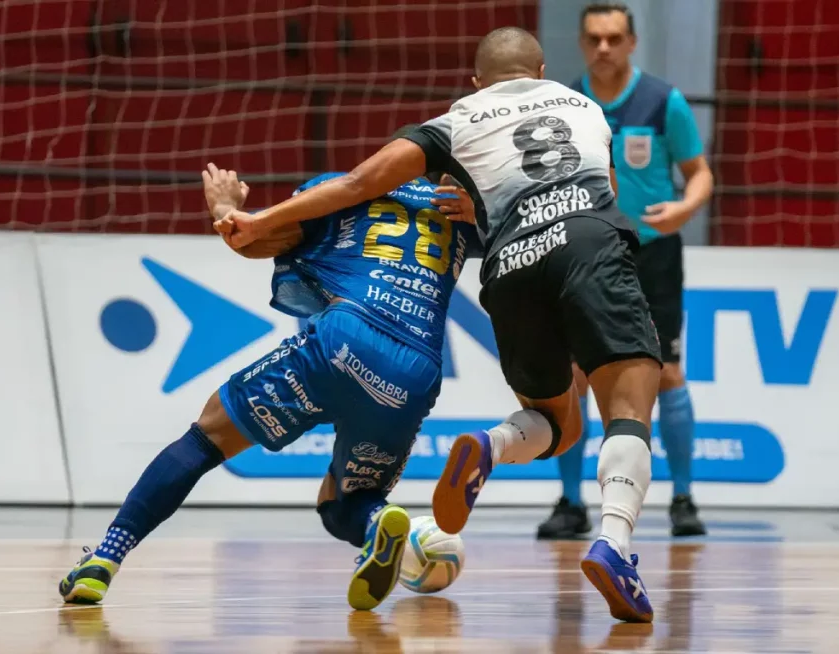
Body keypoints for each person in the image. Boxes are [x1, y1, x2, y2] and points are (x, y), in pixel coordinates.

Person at [216, 27, 662, 624]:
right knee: (628, 408)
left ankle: (492, 444)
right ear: (541, 68)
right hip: (587, 242)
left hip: (509, 267)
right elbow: (601, 189)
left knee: (561, 423)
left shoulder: (454, 122)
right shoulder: (584, 105)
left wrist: (258, 217)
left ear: (476, 82)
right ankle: (615, 544)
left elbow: (356, 184)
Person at [58, 145, 480, 612]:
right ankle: (375, 524)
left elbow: (254, 240)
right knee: (344, 501)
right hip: (417, 369)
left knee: (206, 438)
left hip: (348, 336)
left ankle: (103, 560)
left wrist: (224, 208)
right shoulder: (459, 216)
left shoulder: (340, 188)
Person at [540, 3, 713, 540]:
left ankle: (683, 498)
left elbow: (699, 173)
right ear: (581, 41)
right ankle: (571, 503)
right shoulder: (565, 105)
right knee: (574, 375)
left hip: (654, 254)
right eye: (594, 38)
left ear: (632, 42)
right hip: (586, 253)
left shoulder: (665, 102)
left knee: (664, 374)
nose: (604, 48)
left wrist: (686, 208)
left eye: (614, 38)